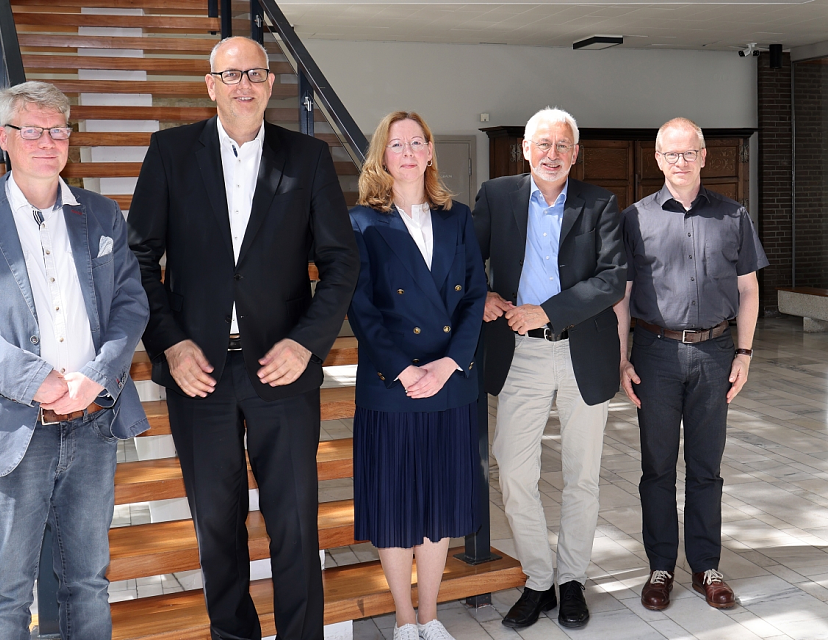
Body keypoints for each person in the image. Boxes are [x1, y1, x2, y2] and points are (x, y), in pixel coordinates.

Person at [126, 36, 359, 640]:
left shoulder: (307, 157)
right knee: (217, 523)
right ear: (211, 85)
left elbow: (341, 262)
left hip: (282, 368)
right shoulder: (171, 152)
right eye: (230, 76)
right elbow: (138, 260)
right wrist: (171, 344)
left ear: (270, 84)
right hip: (197, 370)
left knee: (295, 522)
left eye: (255, 74)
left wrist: (306, 342)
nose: (244, 85)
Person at [0, 81, 149, 639]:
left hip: (93, 424)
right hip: (11, 425)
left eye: (58, 131)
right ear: (5, 138)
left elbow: (130, 304)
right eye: (33, 130)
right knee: (6, 589)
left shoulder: (100, 215)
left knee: (88, 582)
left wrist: (97, 377)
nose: (47, 142)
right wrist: (35, 379)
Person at [472, 107, 626, 630]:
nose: (552, 154)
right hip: (520, 353)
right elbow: (467, 259)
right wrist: (484, 294)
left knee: (582, 477)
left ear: (574, 153)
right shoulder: (496, 196)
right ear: (525, 148)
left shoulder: (600, 202)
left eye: (562, 145)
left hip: (584, 350)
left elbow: (612, 280)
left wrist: (550, 310)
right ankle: (539, 581)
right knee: (514, 473)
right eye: (543, 144)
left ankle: (572, 580)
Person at [615, 117, 768, 612]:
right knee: (657, 468)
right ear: (657, 159)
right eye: (669, 154)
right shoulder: (634, 218)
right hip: (655, 355)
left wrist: (744, 353)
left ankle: (706, 567)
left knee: (706, 468)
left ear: (704, 156)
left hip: (715, 354)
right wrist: (621, 360)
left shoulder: (733, 215)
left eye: (688, 153)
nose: (679, 163)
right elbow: (623, 295)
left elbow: (748, 289)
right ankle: (660, 567)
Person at [348, 111, 487, 640]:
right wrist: (406, 371)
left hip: (450, 382)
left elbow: (475, 295)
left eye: (417, 143)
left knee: (440, 500)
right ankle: (405, 621)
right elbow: (361, 308)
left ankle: (431, 617)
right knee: (395, 503)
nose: (407, 152)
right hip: (392, 385)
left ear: (430, 152)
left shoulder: (458, 218)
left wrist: (450, 363)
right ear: (382, 156)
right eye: (396, 144)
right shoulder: (361, 222)